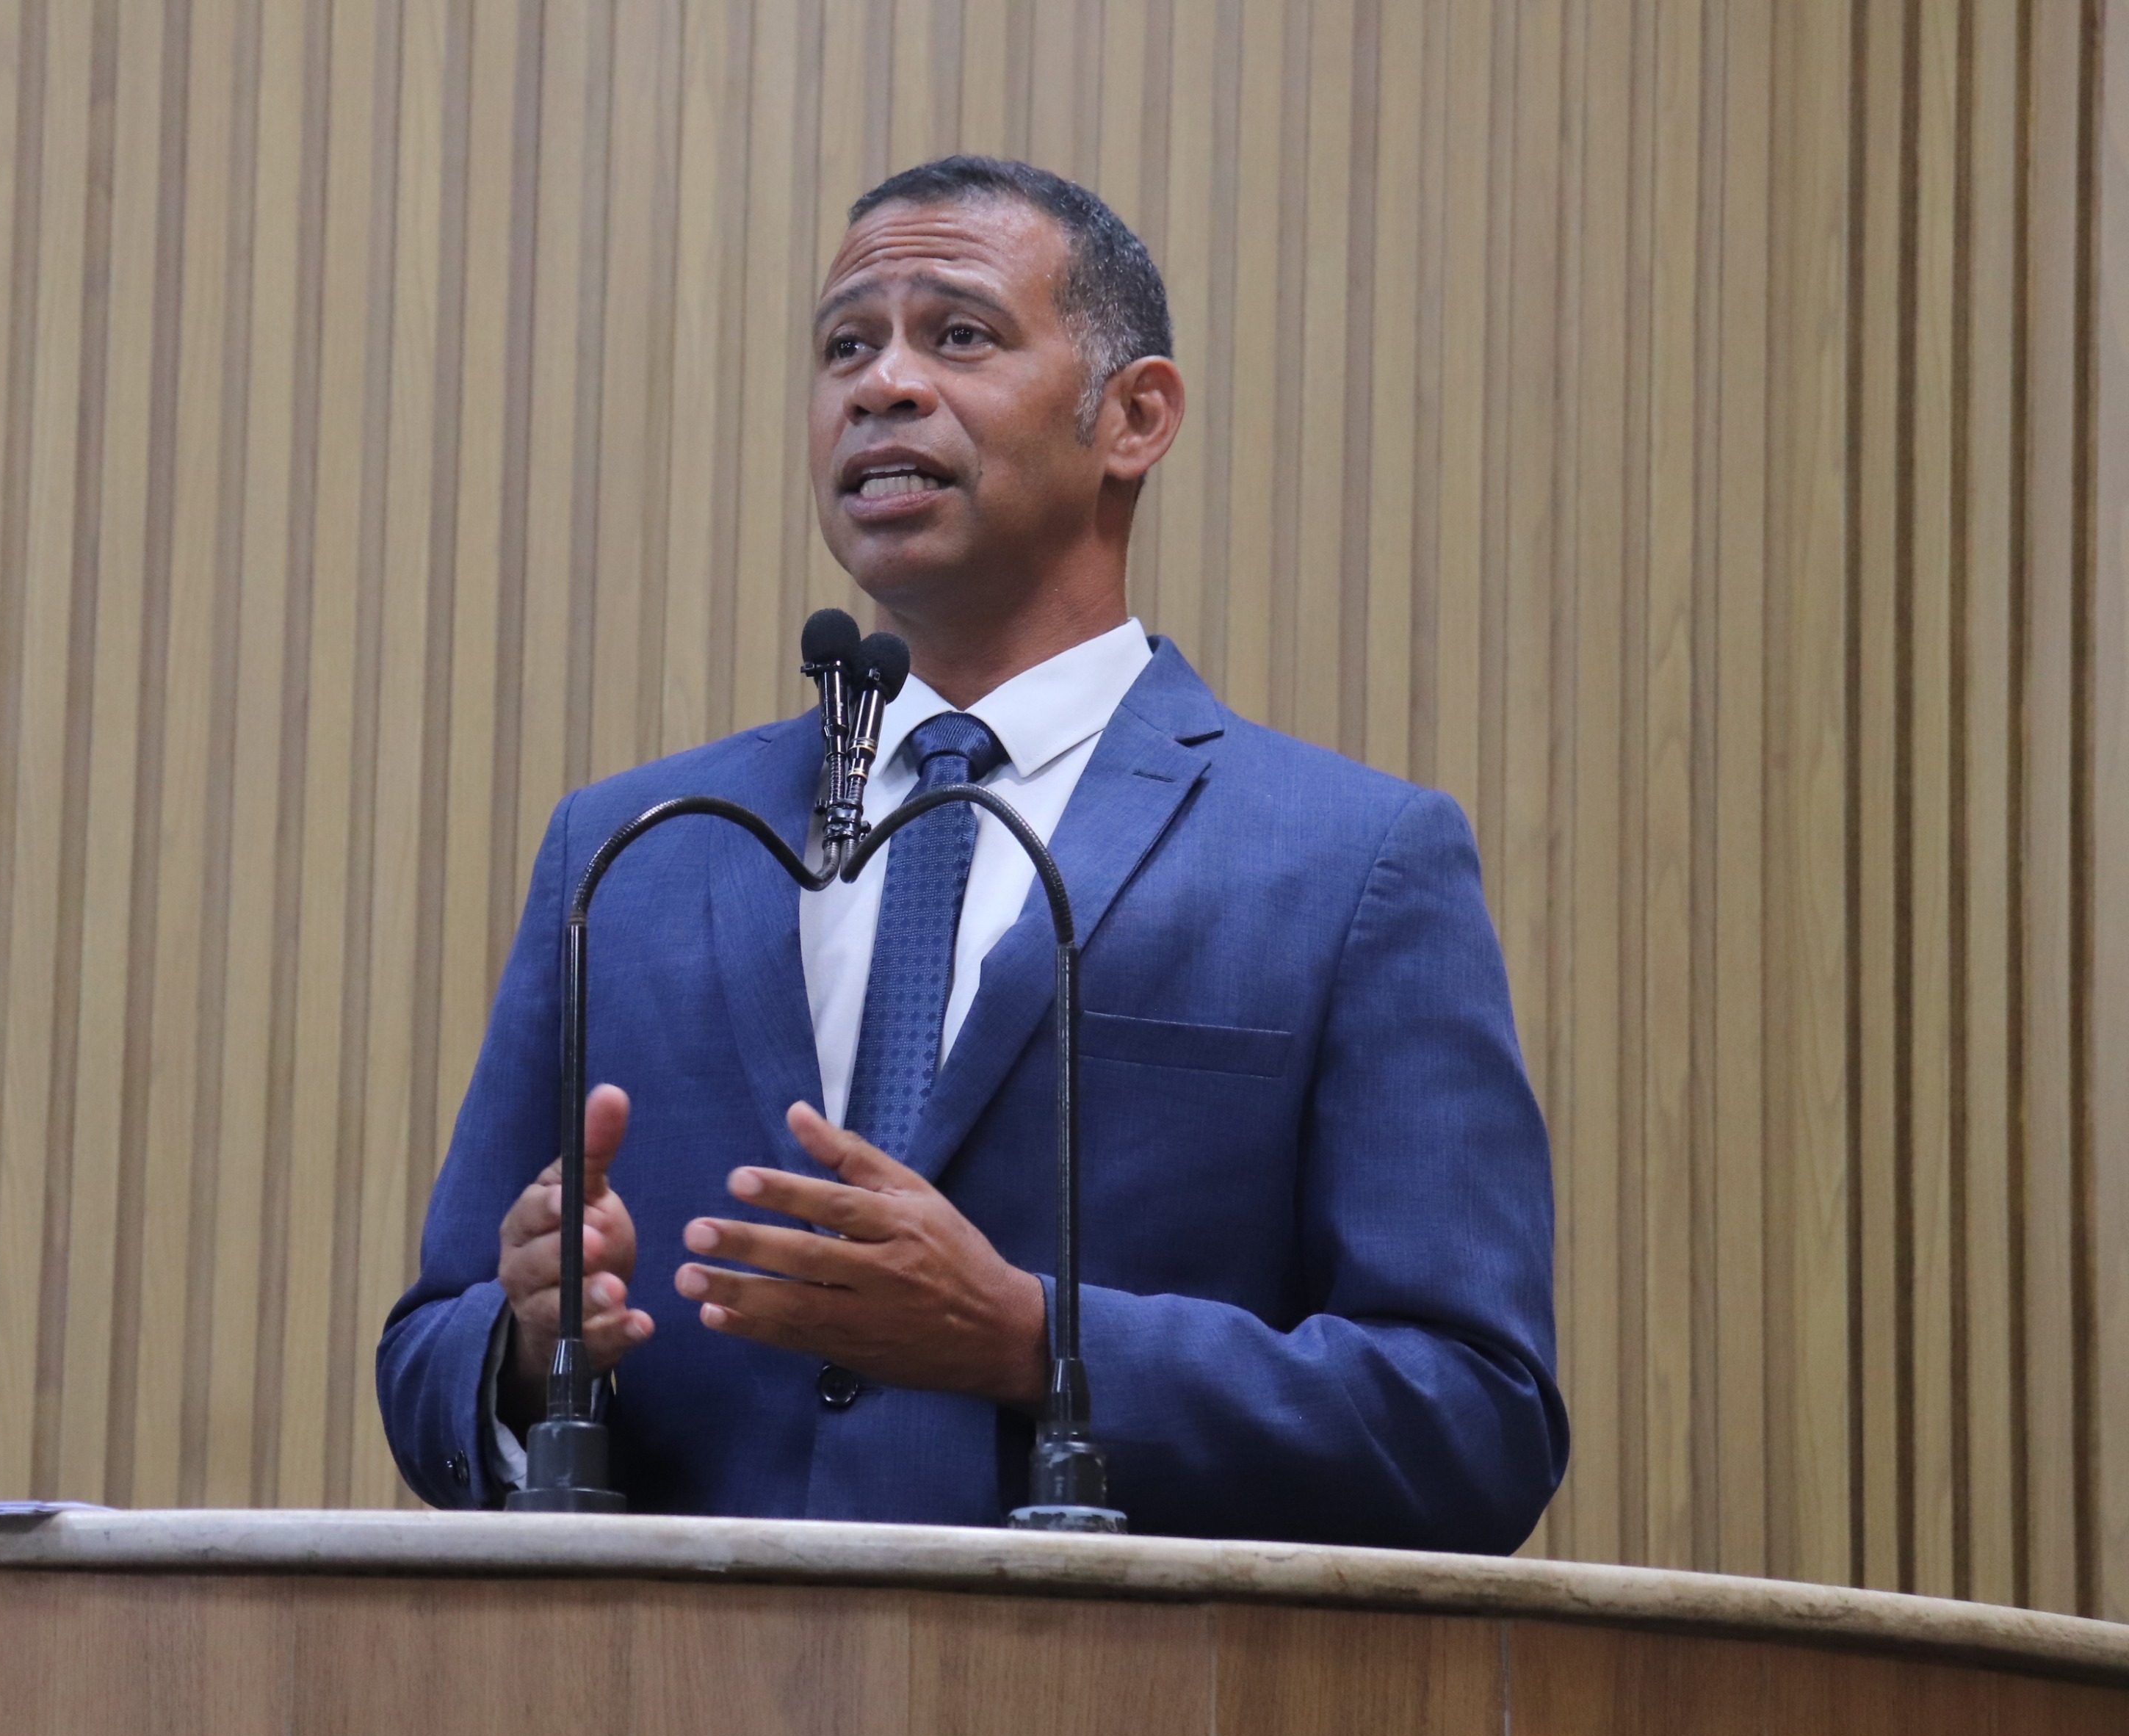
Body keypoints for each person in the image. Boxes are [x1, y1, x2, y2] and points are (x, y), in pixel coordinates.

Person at [376, 155, 1566, 1549]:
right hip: (680, 1677)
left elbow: (1476, 1420)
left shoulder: (1354, 862)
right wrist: (531, 1352)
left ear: (1134, 417)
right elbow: (430, 1354)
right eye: (845, 346)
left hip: (1108, 1682)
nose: (881, 384)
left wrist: (1032, 1341)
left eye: (958, 334)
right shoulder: (632, 848)